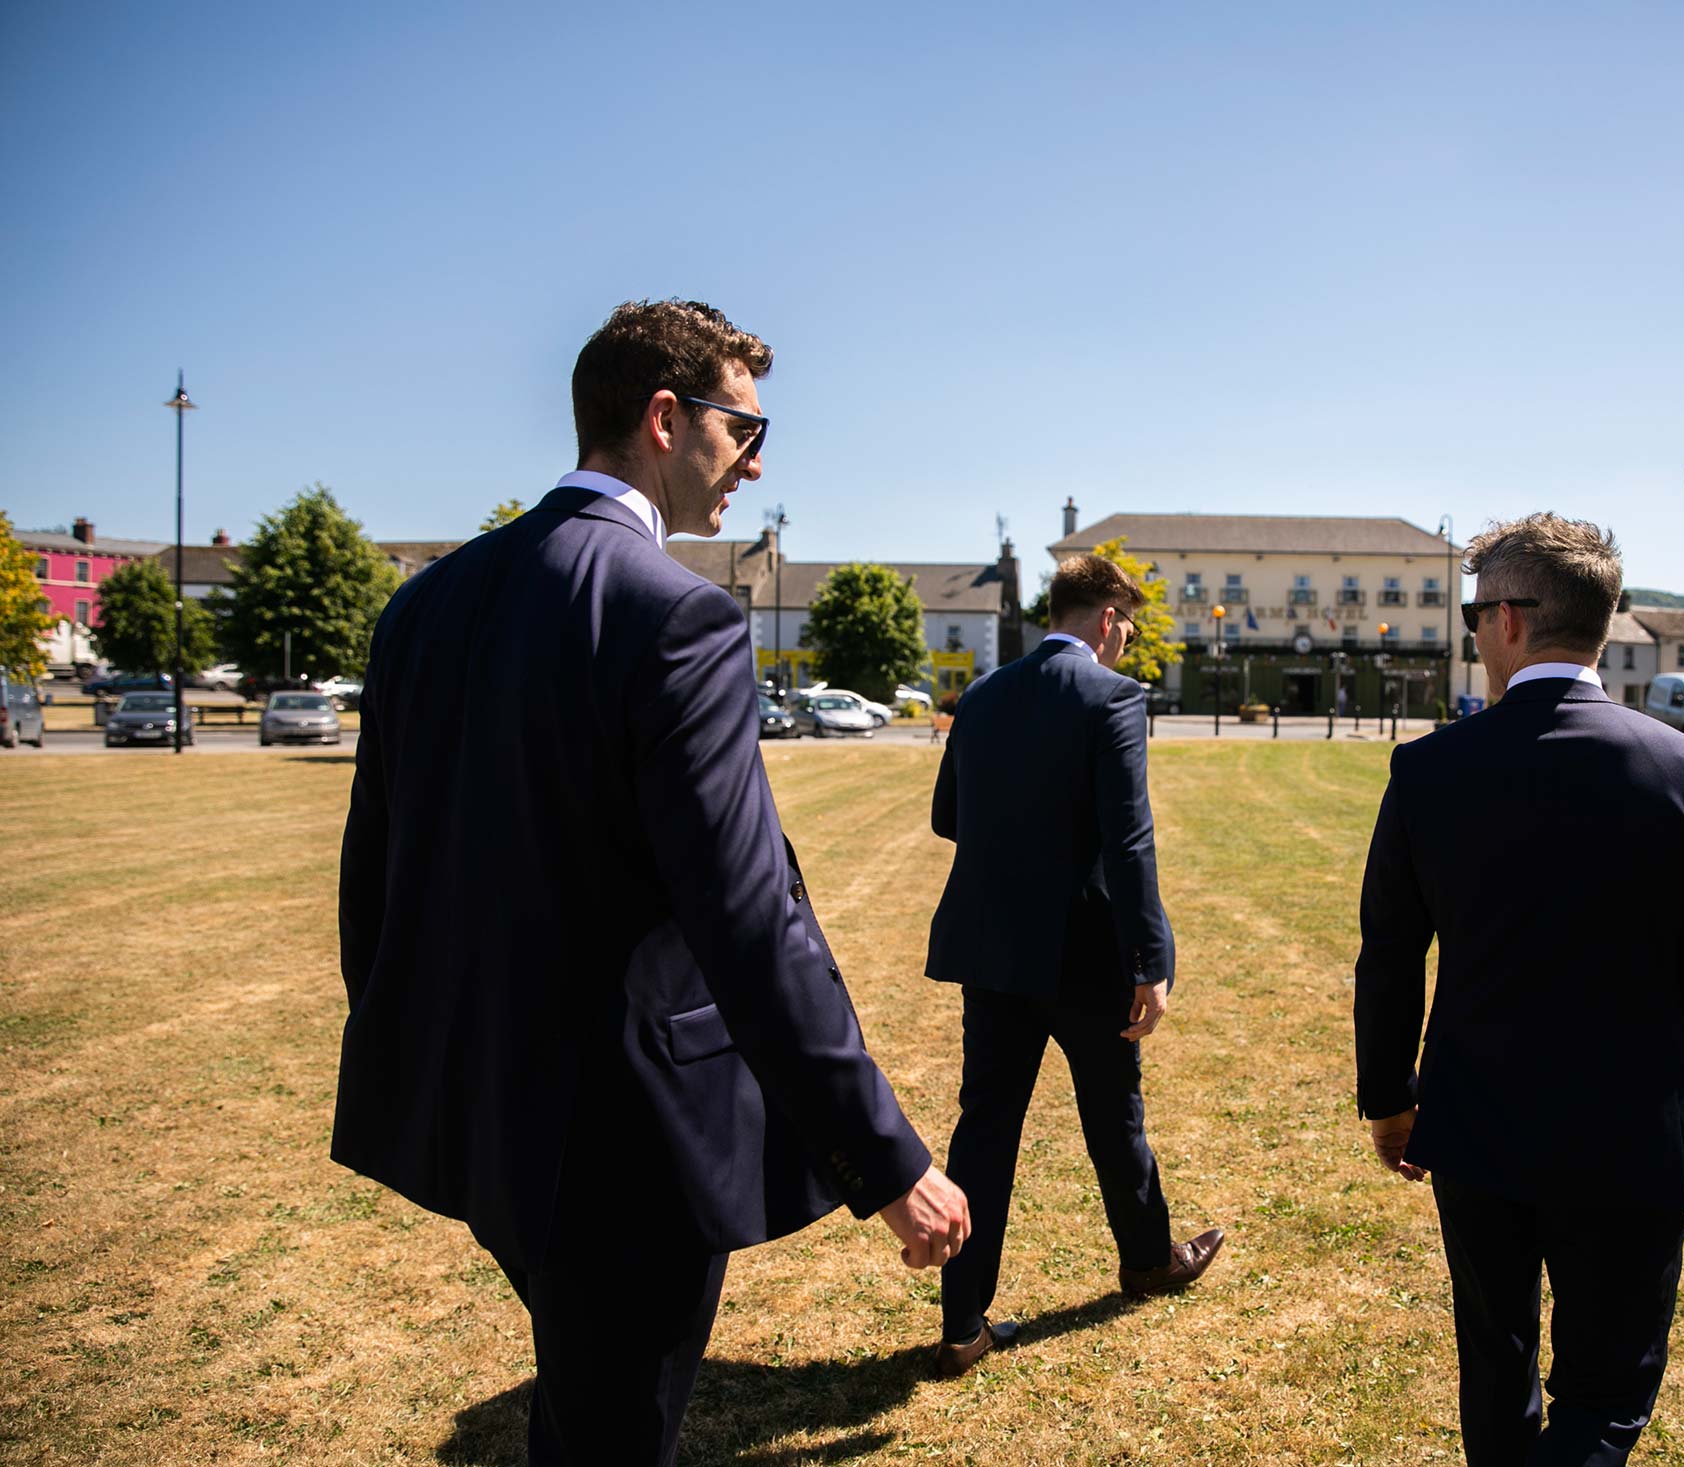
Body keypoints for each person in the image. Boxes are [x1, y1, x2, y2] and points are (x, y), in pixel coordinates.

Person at [333, 300, 968, 1464]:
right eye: (743, 428)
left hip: (473, 1111)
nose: (758, 459)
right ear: (665, 418)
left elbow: (373, 875)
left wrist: (406, 1048)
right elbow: (745, 919)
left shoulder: (423, 606)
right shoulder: (676, 615)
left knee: (582, 1404)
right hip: (626, 1142)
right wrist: (887, 1161)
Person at [1352, 513, 1684, 1466]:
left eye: (1471, 614)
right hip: (1636, 1122)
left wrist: (1388, 1100)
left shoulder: (1430, 769)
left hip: (1481, 1119)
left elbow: (1390, 953)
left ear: (1512, 622)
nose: (1472, 634)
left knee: (1497, 1368)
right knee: (1606, 1394)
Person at [923, 553, 1224, 1378]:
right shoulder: (1114, 697)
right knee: (1113, 1114)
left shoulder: (980, 697)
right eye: (1125, 623)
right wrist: (1151, 959)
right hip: (1086, 952)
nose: (1126, 639)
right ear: (1104, 620)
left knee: (984, 1129)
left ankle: (961, 1325)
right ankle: (1147, 1259)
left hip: (992, 949)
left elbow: (950, 815)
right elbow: (1130, 840)